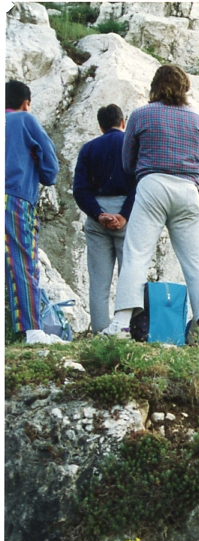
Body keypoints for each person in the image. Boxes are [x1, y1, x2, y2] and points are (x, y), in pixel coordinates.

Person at [105, 65, 199, 348]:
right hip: (187, 190)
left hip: (152, 185)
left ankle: (122, 324)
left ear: (155, 86)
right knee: (198, 263)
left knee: (137, 254)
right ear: (185, 88)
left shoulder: (140, 115)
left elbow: (127, 162)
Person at [5, 80, 61, 344]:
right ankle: (33, 332)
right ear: (25, 102)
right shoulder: (24, 120)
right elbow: (50, 167)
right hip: (14, 198)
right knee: (22, 261)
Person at [73, 104, 137, 333]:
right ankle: (128, 329)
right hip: (126, 215)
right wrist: (124, 215)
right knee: (130, 275)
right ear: (123, 122)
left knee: (99, 281)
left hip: (97, 214)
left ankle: (100, 331)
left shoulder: (88, 149)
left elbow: (80, 190)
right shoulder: (131, 147)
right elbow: (139, 185)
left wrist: (99, 215)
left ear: (100, 126)